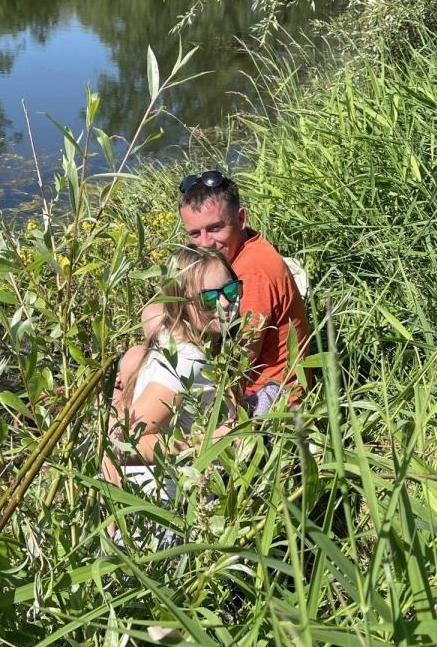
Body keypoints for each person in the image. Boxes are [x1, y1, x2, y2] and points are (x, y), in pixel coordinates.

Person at [141, 170, 311, 412]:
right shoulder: (232, 253)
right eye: (194, 234)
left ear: (241, 218)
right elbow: (158, 306)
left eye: (215, 228)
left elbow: (240, 361)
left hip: (272, 394)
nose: (205, 242)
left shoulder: (252, 270)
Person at [103, 245, 242, 497]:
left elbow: (153, 312)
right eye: (208, 299)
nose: (225, 303)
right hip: (168, 513)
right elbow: (122, 445)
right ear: (181, 305)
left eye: (231, 290)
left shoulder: (176, 333)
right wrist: (211, 442)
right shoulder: (188, 362)